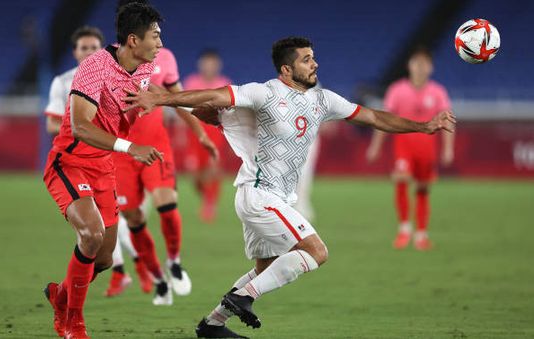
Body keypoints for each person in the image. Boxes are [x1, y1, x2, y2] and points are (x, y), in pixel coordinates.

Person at [122, 36, 456, 338]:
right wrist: (163, 99)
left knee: (265, 269)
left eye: (314, 57)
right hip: (259, 195)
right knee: (316, 252)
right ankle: (243, 297)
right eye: (306, 59)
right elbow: (213, 96)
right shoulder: (264, 93)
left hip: (274, 198)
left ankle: (213, 324)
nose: (315, 64)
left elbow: (374, 117)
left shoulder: (323, 100)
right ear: (286, 69)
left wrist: (424, 126)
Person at [42, 3, 164, 338]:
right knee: (91, 235)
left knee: (104, 258)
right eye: (155, 36)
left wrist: (150, 102)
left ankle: (60, 296)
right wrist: (131, 148)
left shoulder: (146, 67)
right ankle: (72, 323)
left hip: (103, 168)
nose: (160, 44)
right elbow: (81, 127)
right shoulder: (94, 68)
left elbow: (128, 107)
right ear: (132, 40)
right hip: (71, 162)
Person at [111, 0, 219, 305]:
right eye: (154, 33)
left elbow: (178, 99)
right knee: (132, 216)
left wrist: (199, 133)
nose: (159, 41)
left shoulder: (165, 58)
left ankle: (174, 261)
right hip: (122, 154)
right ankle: (159, 279)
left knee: (166, 203)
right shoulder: (104, 62)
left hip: (156, 147)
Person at [366, 47, 454, 251]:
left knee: (423, 189)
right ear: (410, 66)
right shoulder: (397, 90)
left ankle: (421, 234)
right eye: (417, 63)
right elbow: (384, 120)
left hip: (427, 148)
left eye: (425, 64)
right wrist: (375, 146)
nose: (421, 67)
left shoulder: (438, 92)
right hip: (403, 146)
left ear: (430, 67)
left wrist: (448, 149)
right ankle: (405, 229)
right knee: (401, 180)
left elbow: (449, 121)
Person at [183, 49, 231, 222]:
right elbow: (183, 110)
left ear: (218, 65)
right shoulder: (191, 82)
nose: (210, 66)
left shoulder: (224, 84)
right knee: (195, 173)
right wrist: (181, 133)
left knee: (213, 169)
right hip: (194, 132)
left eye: (213, 63)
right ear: (201, 64)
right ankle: (205, 196)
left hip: (216, 132)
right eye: (206, 62)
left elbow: (231, 113)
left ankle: (210, 203)